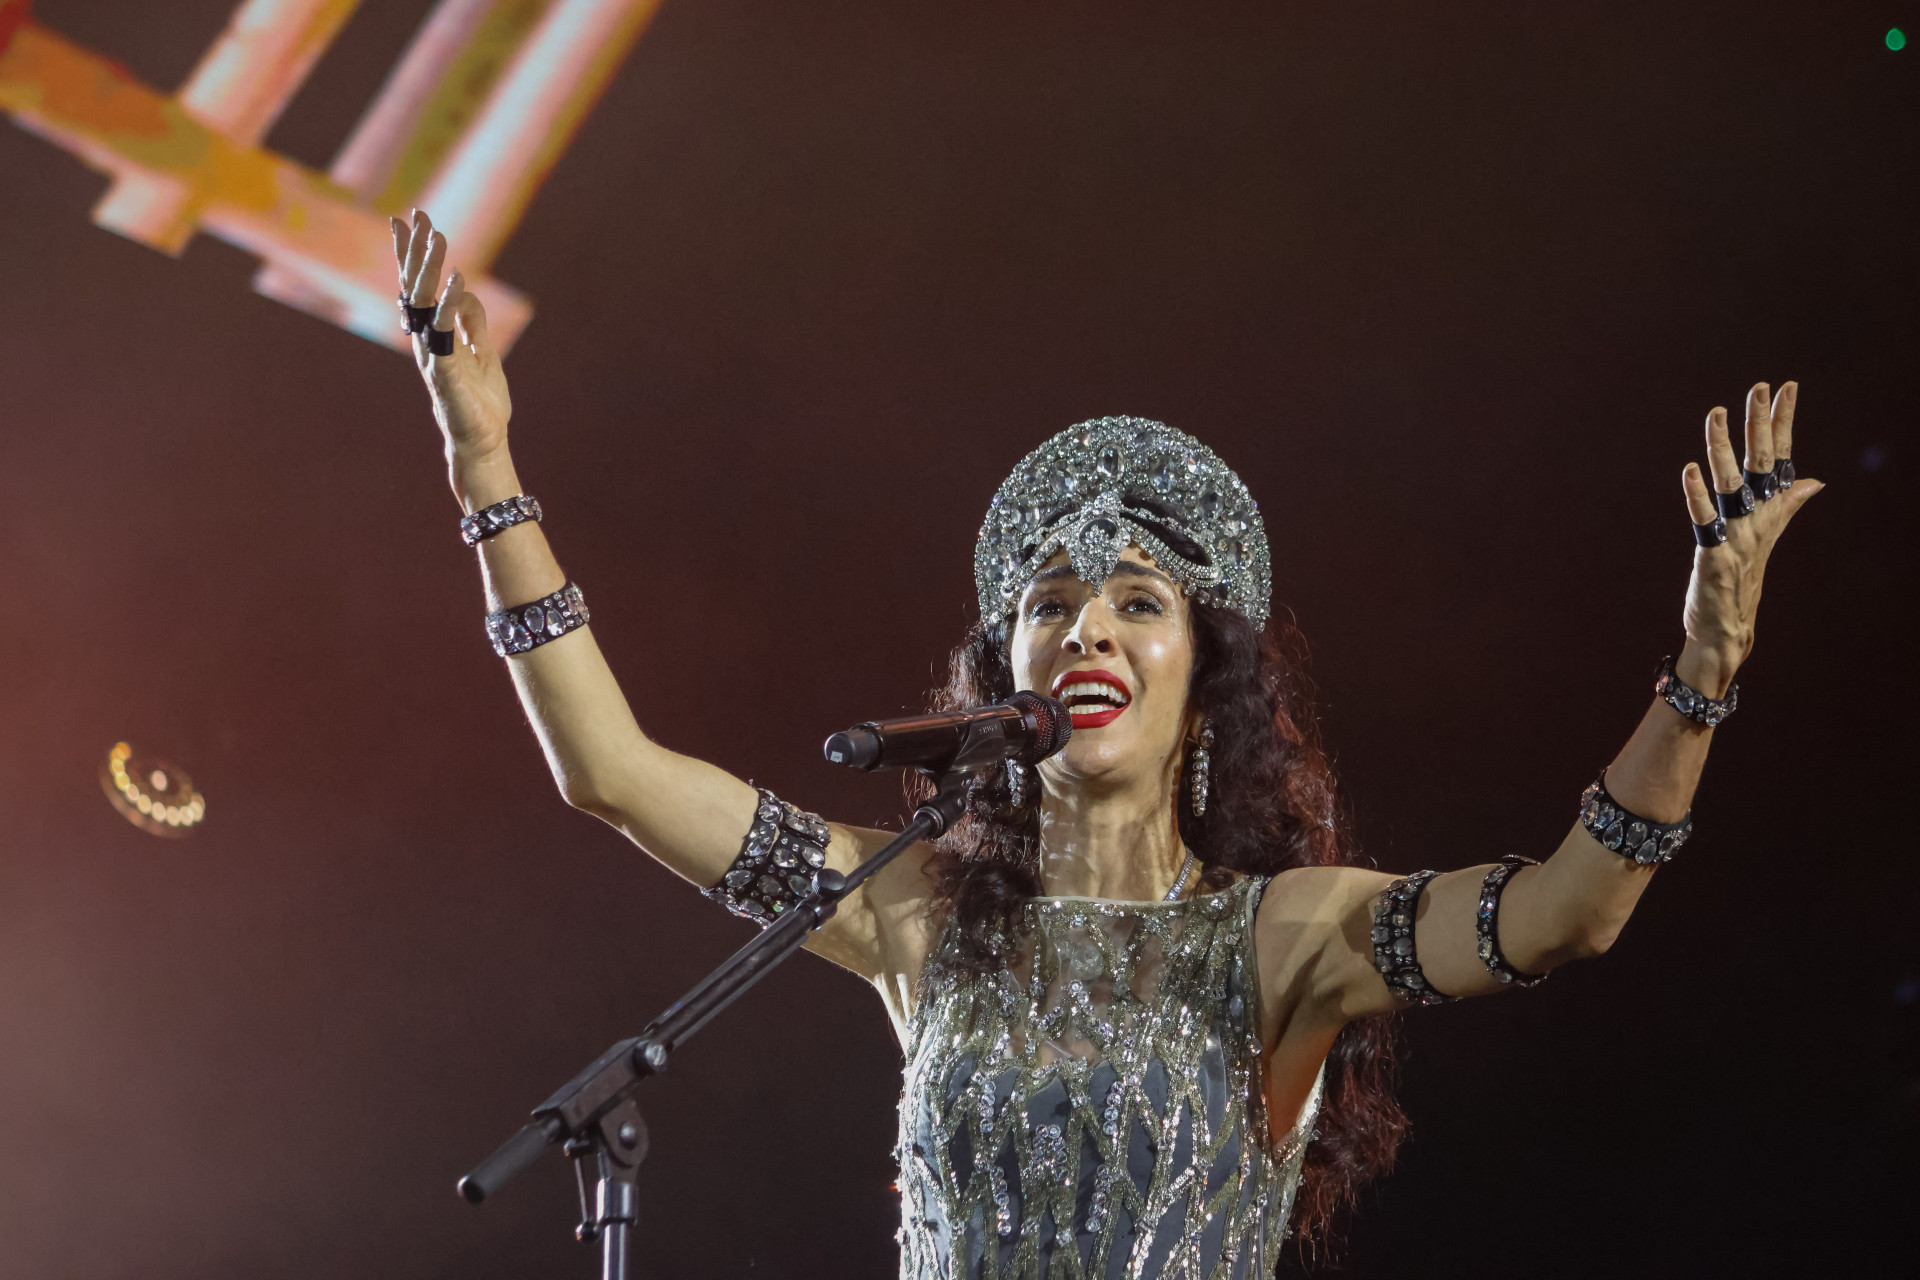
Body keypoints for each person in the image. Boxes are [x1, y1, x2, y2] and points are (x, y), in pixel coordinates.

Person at [391, 211, 1821, 1278]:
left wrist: (1701, 674)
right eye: (1052, 606)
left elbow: (1570, 914)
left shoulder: (1285, 938)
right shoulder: (916, 910)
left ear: (1207, 684)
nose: (1084, 632)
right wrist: (485, 469)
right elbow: (612, 773)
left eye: (1138, 605)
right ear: (1002, 666)